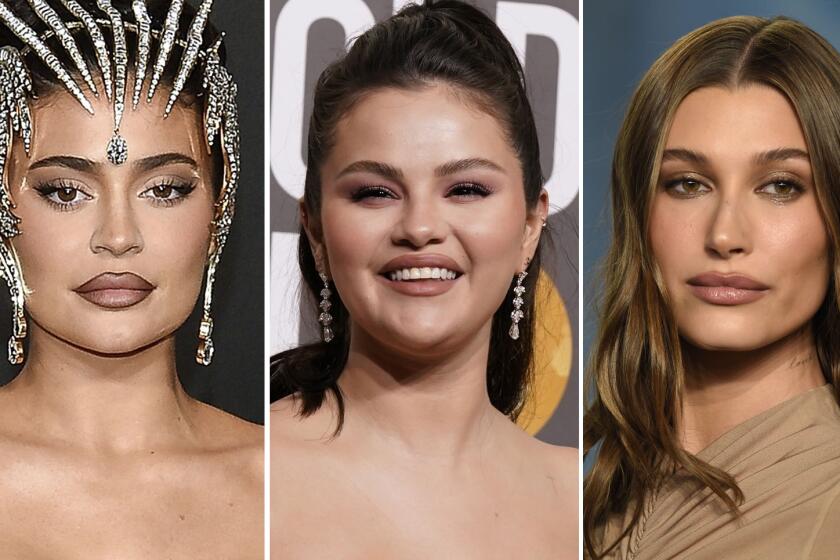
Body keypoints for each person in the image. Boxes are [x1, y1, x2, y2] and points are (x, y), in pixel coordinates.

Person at [270, 2, 577, 558]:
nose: (420, 228)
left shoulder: (584, 504)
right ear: (314, 230)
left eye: (465, 189)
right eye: (375, 192)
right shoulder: (251, 476)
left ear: (530, 226)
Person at [0, 1, 261, 557]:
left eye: (164, 189)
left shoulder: (288, 490)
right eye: (65, 191)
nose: (118, 237)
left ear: (221, 207)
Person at [584, 15, 840, 559]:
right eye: (688, 184)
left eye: (780, 186)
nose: (725, 235)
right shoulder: (590, 496)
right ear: (639, 213)